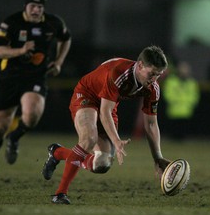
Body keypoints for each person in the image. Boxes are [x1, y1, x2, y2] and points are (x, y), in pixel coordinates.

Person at [42, 45, 171, 204]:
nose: (154, 79)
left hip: (108, 105)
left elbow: (151, 125)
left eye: (158, 75)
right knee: (88, 139)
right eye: (151, 74)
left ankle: (58, 152)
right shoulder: (118, 73)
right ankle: (60, 193)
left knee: (101, 164)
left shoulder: (153, 88)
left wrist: (157, 158)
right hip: (87, 95)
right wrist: (116, 141)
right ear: (140, 65)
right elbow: (104, 112)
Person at [0, 0, 72, 179]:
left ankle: (14, 138)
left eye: (39, 7)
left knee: (31, 115)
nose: (36, 10)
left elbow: (66, 38)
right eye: (32, 6)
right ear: (25, 6)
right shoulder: (11, 22)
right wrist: (20, 50)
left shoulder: (53, 23)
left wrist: (59, 62)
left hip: (35, 77)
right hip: (10, 78)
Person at [162, 61, 200, 140]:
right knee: (173, 136)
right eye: (182, 70)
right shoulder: (171, 81)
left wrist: (188, 103)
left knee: (183, 136)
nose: (184, 72)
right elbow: (167, 94)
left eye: (186, 70)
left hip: (186, 112)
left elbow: (195, 96)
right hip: (174, 111)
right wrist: (176, 101)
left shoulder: (191, 82)